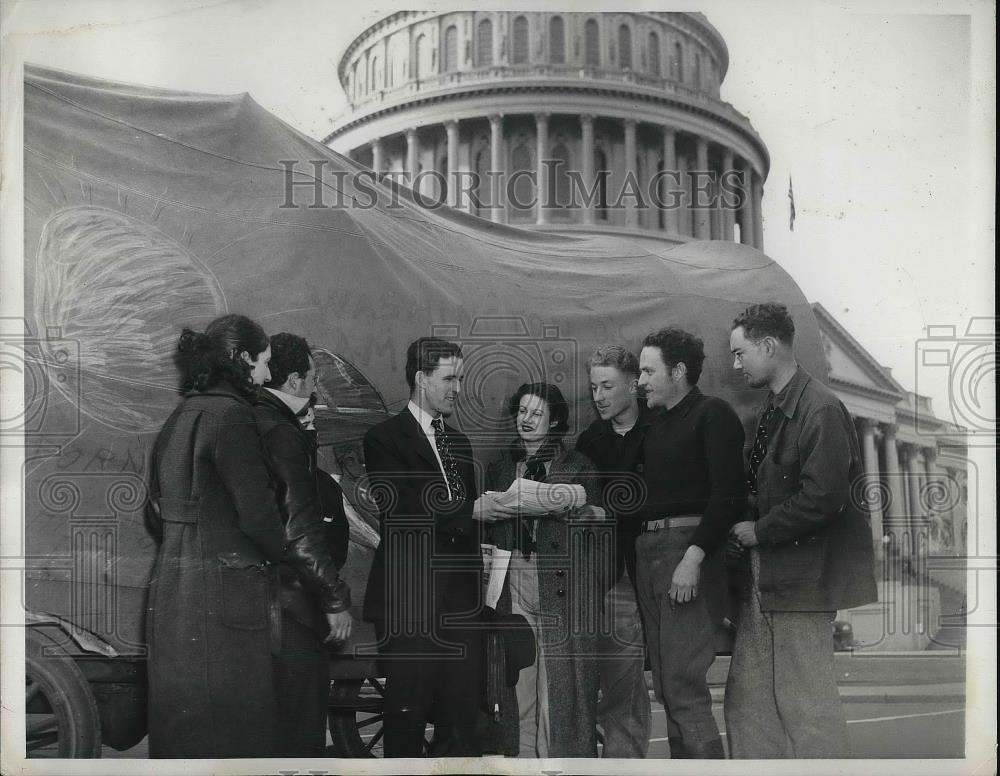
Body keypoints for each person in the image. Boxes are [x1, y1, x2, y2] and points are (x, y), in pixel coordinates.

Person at [725, 302, 877, 758]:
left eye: (740, 353)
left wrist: (759, 531)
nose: (735, 365)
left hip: (802, 584)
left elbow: (824, 498)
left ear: (769, 346)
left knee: (808, 711)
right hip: (770, 579)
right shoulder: (776, 407)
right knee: (749, 706)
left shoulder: (821, 409)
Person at [362, 336, 517, 757]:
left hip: (461, 606)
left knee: (460, 719)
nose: (459, 389)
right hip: (410, 603)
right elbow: (403, 512)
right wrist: (471, 511)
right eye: (449, 378)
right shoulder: (383, 439)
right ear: (420, 379)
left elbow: (465, 522)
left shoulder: (460, 444)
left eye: (462, 378)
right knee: (407, 718)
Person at [146, 313, 286, 758]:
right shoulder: (234, 418)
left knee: (186, 734)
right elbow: (259, 516)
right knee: (236, 736)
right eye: (264, 362)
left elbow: (154, 512)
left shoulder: (181, 415)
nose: (268, 374)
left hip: (173, 594)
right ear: (242, 359)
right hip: (228, 600)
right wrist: (287, 557)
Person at [635, 327, 746, 759]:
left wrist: (693, 557)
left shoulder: (713, 414)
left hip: (687, 554)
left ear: (678, 372)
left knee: (683, 685)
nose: (640, 380)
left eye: (648, 370)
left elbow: (730, 496)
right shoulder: (657, 424)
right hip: (652, 555)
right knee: (666, 684)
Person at [484, 382, 608, 758]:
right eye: (522, 411)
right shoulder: (500, 468)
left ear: (554, 420)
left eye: (536, 413)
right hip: (514, 581)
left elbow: (596, 526)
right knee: (517, 682)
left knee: (558, 689)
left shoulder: (579, 466)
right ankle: (519, 762)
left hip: (563, 587)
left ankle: (560, 763)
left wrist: (579, 509)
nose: (526, 420)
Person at [253, 332, 353, 757]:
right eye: (312, 377)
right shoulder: (283, 432)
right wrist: (334, 599)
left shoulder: (249, 421)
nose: (315, 386)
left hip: (256, 608)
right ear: (294, 381)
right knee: (298, 731)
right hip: (293, 607)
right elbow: (302, 530)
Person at [575, 345, 652, 758]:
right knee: (617, 682)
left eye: (607, 386)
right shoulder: (590, 440)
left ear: (634, 384)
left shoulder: (659, 429)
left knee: (628, 688)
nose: (598, 396)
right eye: (593, 387)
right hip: (606, 579)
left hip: (652, 572)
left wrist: (608, 511)